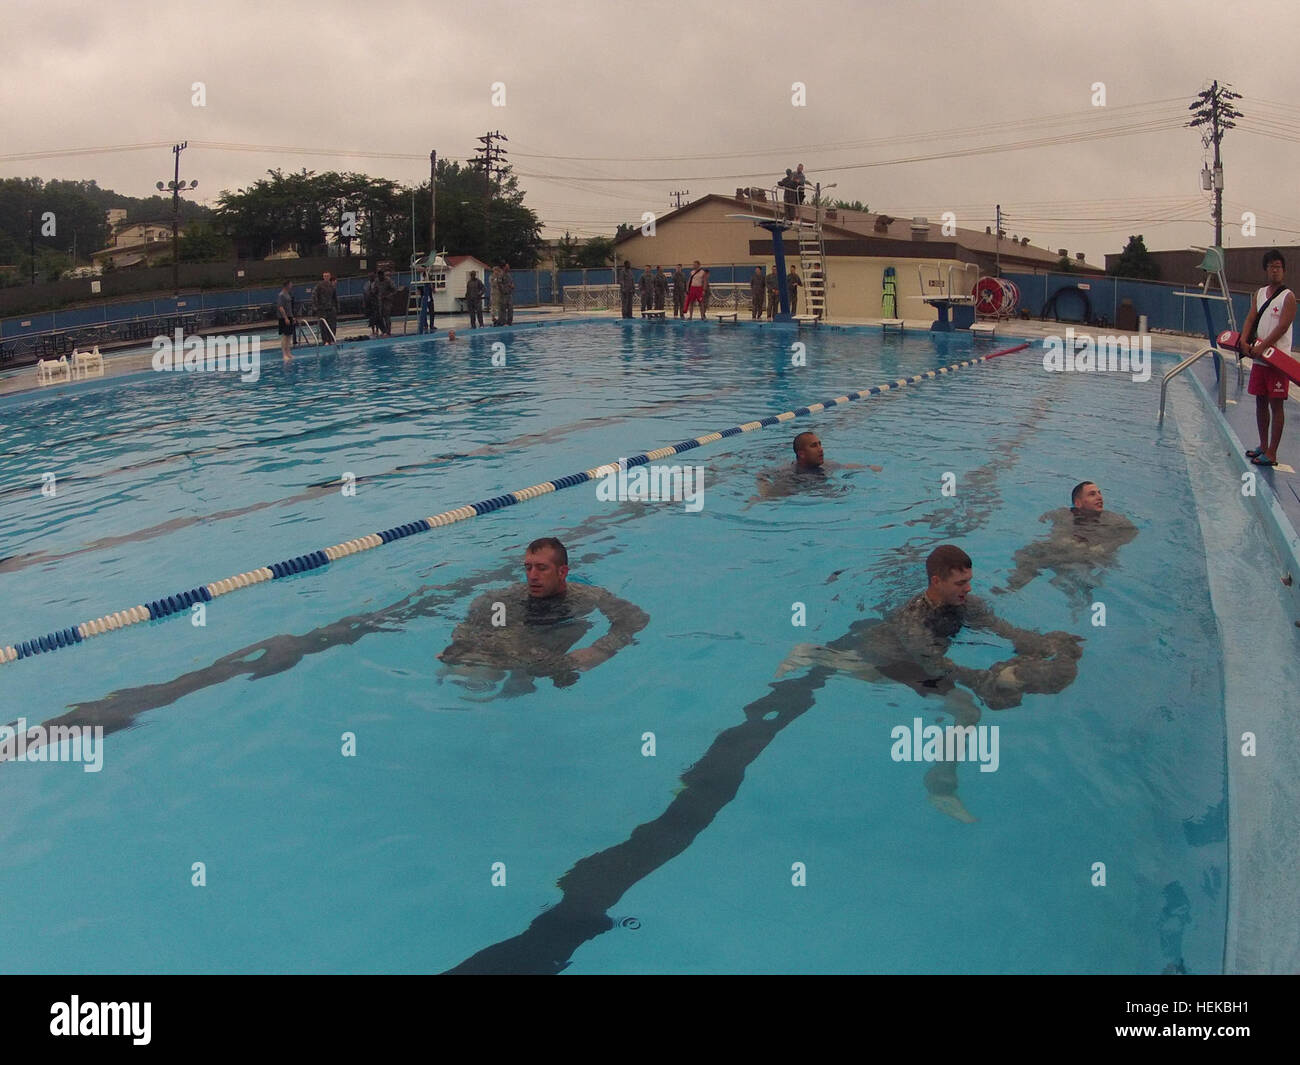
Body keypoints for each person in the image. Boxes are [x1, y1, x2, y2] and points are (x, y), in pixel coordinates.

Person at [775, 545, 1083, 821]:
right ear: (937, 581)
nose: (968, 588)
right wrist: (984, 679)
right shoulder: (913, 617)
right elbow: (934, 664)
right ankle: (941, 790)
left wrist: (1041, 644)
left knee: (870, 675)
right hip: (895, 656)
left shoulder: (968, 604)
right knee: (966, 710)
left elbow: (1001, 628)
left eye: (969, 580)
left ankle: (814, 654)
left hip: (910, 656)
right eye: (960, 583)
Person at [437, 537, 650, 698]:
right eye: (528, 568)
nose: (532, 576)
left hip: (544, 649)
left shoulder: (588, 596)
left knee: (528, 670)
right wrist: (460, 642)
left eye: (541, 568)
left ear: (562, 572)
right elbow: (478, 611)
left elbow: (635, 618)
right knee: (458, 667)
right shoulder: (510, 595)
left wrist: (599, 649)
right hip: (516, 650)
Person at [995, 481, 1137, 600]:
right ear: (1078, 503)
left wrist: (1104, 547)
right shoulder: (1063, 513)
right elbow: (1047, 517)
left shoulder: (1113, 519)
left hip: (1089, 558)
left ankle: (1077, 592)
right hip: (1064, 553)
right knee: (1027, 552)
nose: (1099, 497)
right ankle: (1011, 588)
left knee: (1071, 571)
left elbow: (1131, 532)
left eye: (1099, 493)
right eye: (1092, 494)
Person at [1239, 249, 1296, 467]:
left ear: (1284, 270)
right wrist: (1243, 341)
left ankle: (1272, 452)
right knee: (1260, 402)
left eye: (1278, 267)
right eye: (1271, 267)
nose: (1275, 271)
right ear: (1266, 270)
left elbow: (1282, 326)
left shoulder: (1287, 297)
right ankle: (1263, 445)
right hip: (1259, 360)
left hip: (1277, 361)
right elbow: (1251, 317)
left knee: (1276, 405)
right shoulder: (1260, 293)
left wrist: (1263, 346)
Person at [751, 431, 879, 501]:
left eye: (820, 444)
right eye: (814, 446)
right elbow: (763, 481)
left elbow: (844, 466)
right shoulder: (790, 476)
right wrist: (760, 494)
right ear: (801, 454)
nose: (820, 449)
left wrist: (867, 467)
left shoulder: (826, 464)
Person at [312, 271, 339, 343]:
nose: (326, 277)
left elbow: (335, 298)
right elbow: (314, 296)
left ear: (330, 277)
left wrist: (336, 307)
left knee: (332, 325)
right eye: (325, 276)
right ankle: (325, 340)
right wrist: (316, 307)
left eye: (328, 276)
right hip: (322, 309)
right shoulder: (319, 286)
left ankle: (332, 339)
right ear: (323, 277)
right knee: (323, 326)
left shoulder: (332, 286)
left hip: (331, 308)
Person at [276, 280, 296, 361]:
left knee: (289, 336)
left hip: (289, 316)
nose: (291, 286)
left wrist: (292, 317)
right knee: (285, 336)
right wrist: (285, 318)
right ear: (286, 285)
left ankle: (288, 352)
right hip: (284, 318)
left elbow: (289, 307)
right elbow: (280, 307)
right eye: (290, 284)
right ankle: (284, 354)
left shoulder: (288, 294)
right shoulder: (281, 295)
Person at [375, 269, 395, 337]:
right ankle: (383, 331)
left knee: (387, 316)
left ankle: (388, 332)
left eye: (381, 275)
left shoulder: (388, 280)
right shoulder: (377, 281)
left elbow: (394, 290)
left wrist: (387, 295)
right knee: (379, 316)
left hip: (387, 300)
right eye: (378, 275)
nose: (380, 277)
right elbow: (375, 290)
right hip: (380, 300)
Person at [363, 271, 379, 336]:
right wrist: (364, 303)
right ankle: (373, 330)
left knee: (377, 317)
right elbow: (365, 293)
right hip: (369, 303)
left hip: (376, 302)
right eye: (369, 276)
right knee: (371, 318)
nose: (370, 278)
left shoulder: (377, 283)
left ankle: (377, 330)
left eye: (372, 276)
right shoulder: (367, 284)